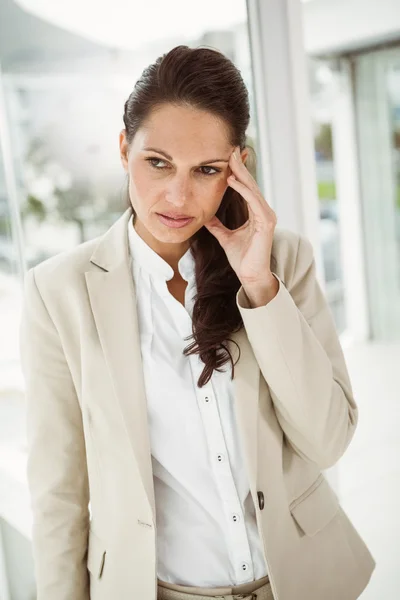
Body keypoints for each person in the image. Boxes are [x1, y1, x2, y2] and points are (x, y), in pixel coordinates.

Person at [19, 45, 375, 600]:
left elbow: (327, 441)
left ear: (237, 169)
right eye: (157, 162)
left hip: (301, 584)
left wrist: (260, 286)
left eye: (206, 170)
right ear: (123, 150)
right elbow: (59, 495)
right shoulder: (58, 292)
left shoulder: (285, 261)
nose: (178, 196)